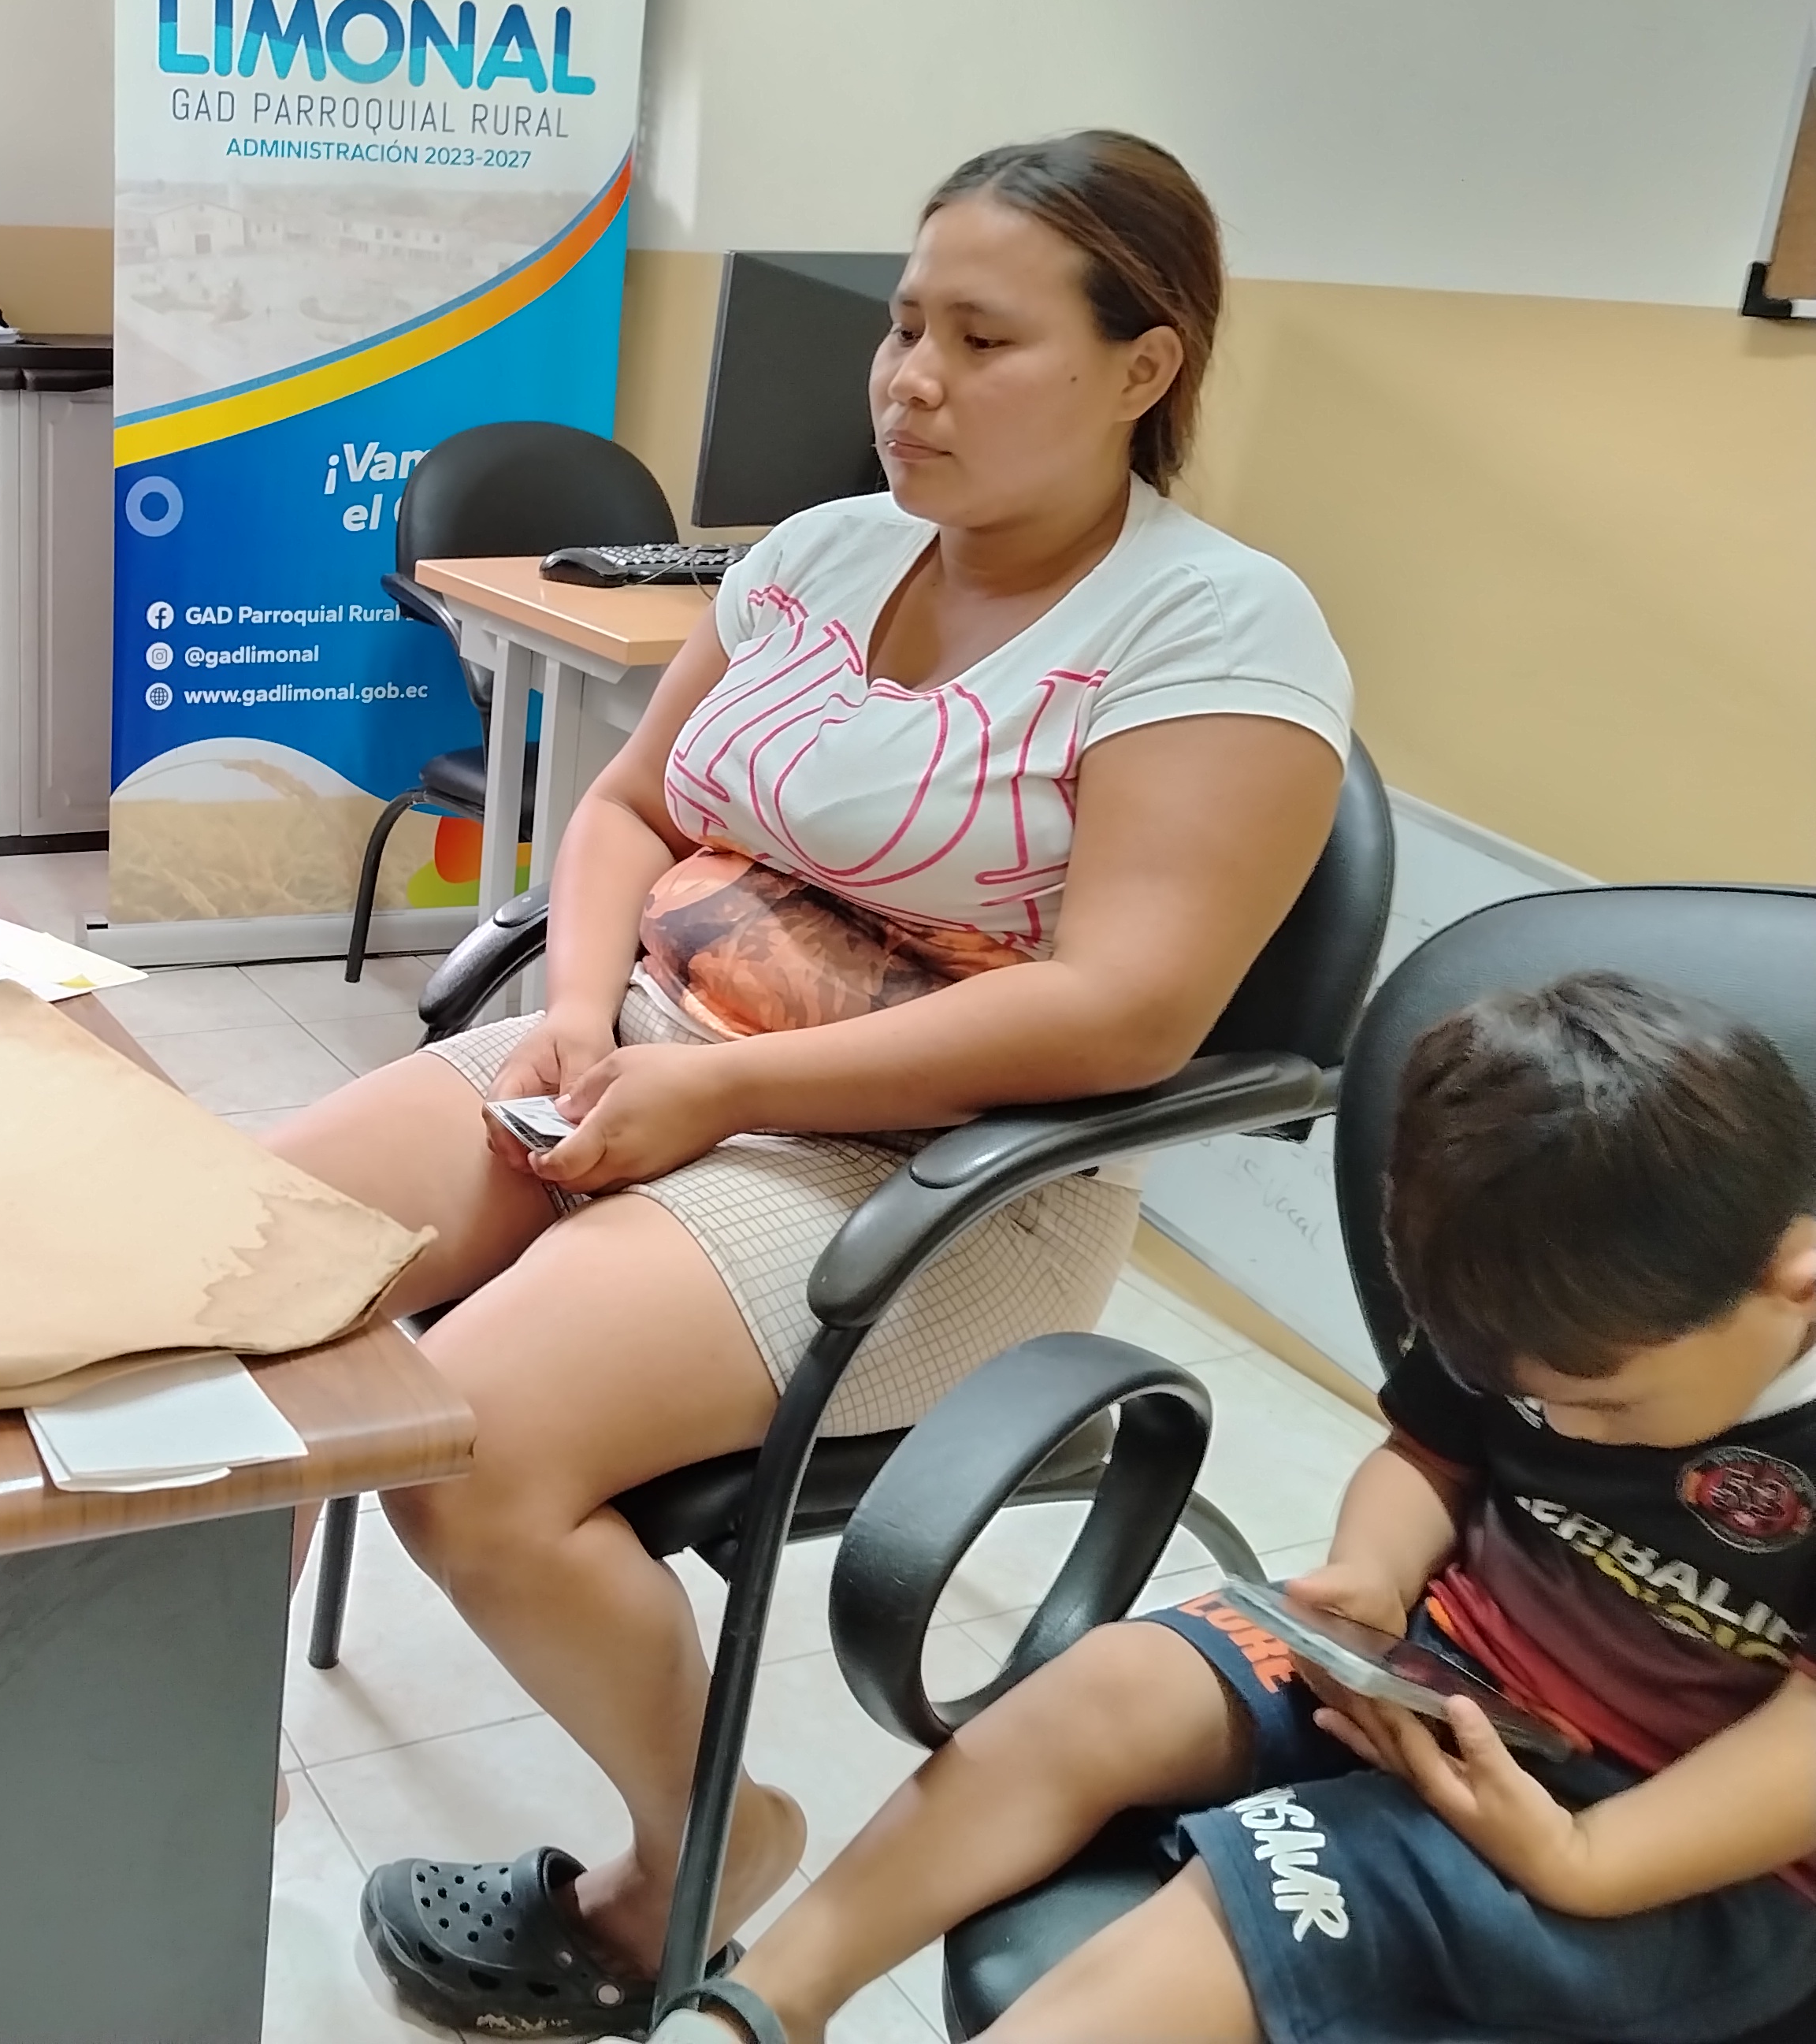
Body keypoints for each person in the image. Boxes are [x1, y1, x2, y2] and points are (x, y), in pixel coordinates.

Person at [266, 130, 1357, 2029]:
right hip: (649, 1050)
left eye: (980, 341)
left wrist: (718, 1101)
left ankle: (696, 1846)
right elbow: (623, 804)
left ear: (1142, 366)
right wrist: (582, 1011)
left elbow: (1124, 1015)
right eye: (901, 326)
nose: (908, 381)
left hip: (932, 1176)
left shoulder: (1211, 629)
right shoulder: (819, 552)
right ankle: (170, 1744)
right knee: (248, 1274)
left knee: (471, 1443)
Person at [733, 972, 1816, 2044]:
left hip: (1677, 1829)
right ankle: (763, 2007)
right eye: (1531, 1401)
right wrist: (1374, 1573)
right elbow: (1426, 1458)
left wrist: (1586, 1862)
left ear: (1796, 1280)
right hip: (1451, 1674)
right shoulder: (1546, 1308)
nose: (1562, 1427)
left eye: (1608, 1404)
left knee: (1238, 1915)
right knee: (1112, 1683)